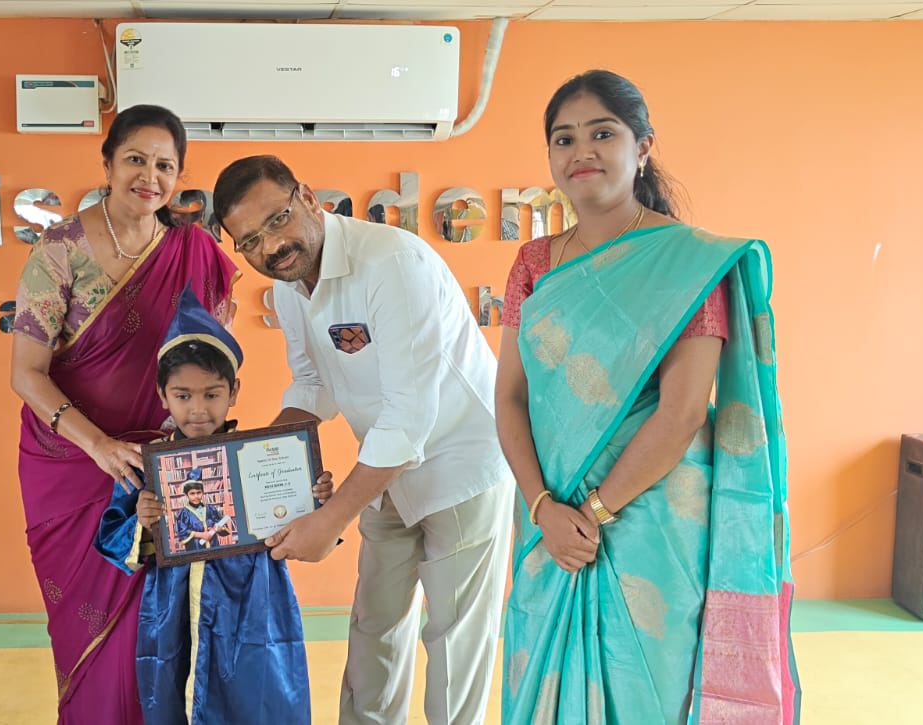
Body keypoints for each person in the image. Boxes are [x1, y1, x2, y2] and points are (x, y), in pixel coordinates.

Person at [495, 69, 800, 724]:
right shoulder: (533, 264)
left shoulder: (687, 264)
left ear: (643, 146)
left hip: (648, 519)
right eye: (564, 138)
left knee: (643, 696)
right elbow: (510, 398)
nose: (582, 152)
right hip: (549, 521)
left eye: (602, 133)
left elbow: (682, 412)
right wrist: (544, 509)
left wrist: (593, 512)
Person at [211, 155, 513, 725]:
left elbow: (409, 417)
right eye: (249, 241)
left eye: (277, 220)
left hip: (460, 466)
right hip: (383, 470)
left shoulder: (392, 263)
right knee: (374, 626)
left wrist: (330, 519)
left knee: (453, 639)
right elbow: (312, 384)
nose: (271, 246)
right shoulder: (289, 288)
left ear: (306, 197)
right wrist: (253, 468)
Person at [7, 105, 238, 724]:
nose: (149, 177)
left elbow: (213, 363)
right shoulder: (59, 250)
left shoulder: (194, 250)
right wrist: (101, 447)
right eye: (136, 159)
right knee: (88, 637)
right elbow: (26, 373)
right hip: (72, 467)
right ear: (107, 162)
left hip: (160, 468)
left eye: (165, 166)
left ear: (179, 176)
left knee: (161, 633)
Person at [93, 288, 334, 725]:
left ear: (233, 391)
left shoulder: (263, 460)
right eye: (183, 396)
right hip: (172, 611)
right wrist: (143, 523)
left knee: (257, 698)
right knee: (174, 698)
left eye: (211, 394)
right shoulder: (148, 468)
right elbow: (111, 540)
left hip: (254, 604)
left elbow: (309, 533)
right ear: (162, 395)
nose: (198, 410)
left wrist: (316, 502)